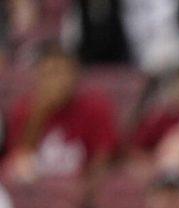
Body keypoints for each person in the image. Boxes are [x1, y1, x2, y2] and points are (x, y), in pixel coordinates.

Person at [1, 43, 118, 184]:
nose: (57, 81)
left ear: (75, 75)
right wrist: (39, 114)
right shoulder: (24, 109)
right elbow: (19, 158)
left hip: (79, 187)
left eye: (62, 73)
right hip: (39, 188)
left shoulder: (95, 107)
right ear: (39, 77)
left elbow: (104, 159)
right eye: (49, 74)